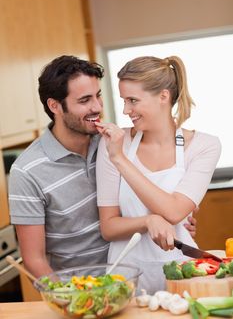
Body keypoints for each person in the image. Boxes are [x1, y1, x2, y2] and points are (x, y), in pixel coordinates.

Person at [8, 55, 197, 278]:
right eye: (84, 100)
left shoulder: (114, 143)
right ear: (54, 106)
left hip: (132, 277)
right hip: (79, 287)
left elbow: (155, 192)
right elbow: (34, 259)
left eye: (98, 96)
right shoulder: (27, 171)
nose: (96, 107)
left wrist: (178, 222)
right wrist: (68, 297)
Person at [95, 55, 221, 294]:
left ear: (164, 96)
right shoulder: (112, 143)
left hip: (183, 273)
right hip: (125, 278)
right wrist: (147, 221)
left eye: (133, 100)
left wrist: (120, 159)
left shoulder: (205, 146)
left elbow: (173, 211)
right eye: (123, 101)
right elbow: (108, 227)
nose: (125, 110)